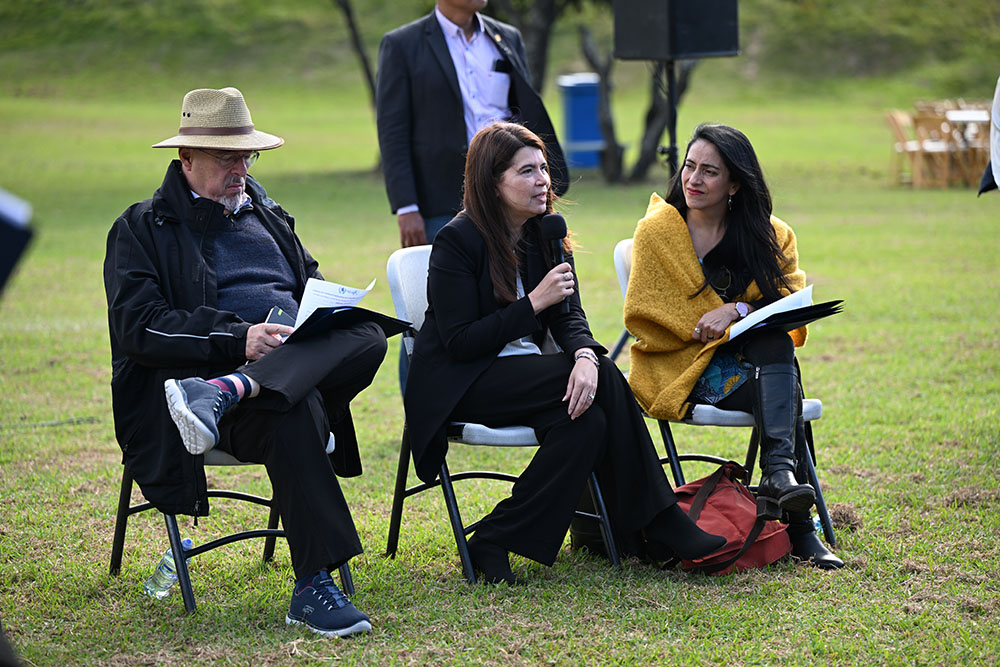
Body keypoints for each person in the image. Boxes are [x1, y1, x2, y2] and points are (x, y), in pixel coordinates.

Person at [103, 87, 388, 636]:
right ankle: (313, 585)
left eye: (247, 156)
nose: (241, 168)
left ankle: (235, 388)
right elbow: (139, 328)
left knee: (370, 332)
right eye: (226, 158)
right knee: (295, 411)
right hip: (187, 396)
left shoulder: (268, 212)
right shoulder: (141, 227)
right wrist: (239, 340)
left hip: (261, 382)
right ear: (186, 159)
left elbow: (311, 282)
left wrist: (325, 310)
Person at [403, 122, 726, 584]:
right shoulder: (459, 240)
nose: (543, 181)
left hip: (529, 377)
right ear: (493, 183)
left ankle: (492, 539)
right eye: (526, 172)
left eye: (543, 170)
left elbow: (570, 316)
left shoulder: (546, 233)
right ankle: (659, 520)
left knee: (588, 423)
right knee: (611, 381)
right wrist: (532, 302)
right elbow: (459, 342)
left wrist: (583, 357)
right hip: (462, 382)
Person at [624, 122, 843, 569]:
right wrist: (724, 319)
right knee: (783, 388)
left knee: (774, 343)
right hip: (682, 367)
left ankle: (779, 477)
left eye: (709, 171)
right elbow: (647, 313)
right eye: (689, 167)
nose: (693, 180)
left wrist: (737, 312)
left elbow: (784, 298)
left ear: (735, 184)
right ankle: (798, 524)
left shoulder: (768, 234)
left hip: (752, 366)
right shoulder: (658, 232)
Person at [376, 0, 569, 390]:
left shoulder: (505, 37)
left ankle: (504, 379)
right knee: (434, 307)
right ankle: (424, 401)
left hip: (506, 193)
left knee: (504, 288)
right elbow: (393, 131)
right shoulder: (404, 43)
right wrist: (407, 206)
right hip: (440, 197)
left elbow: (522, 113)